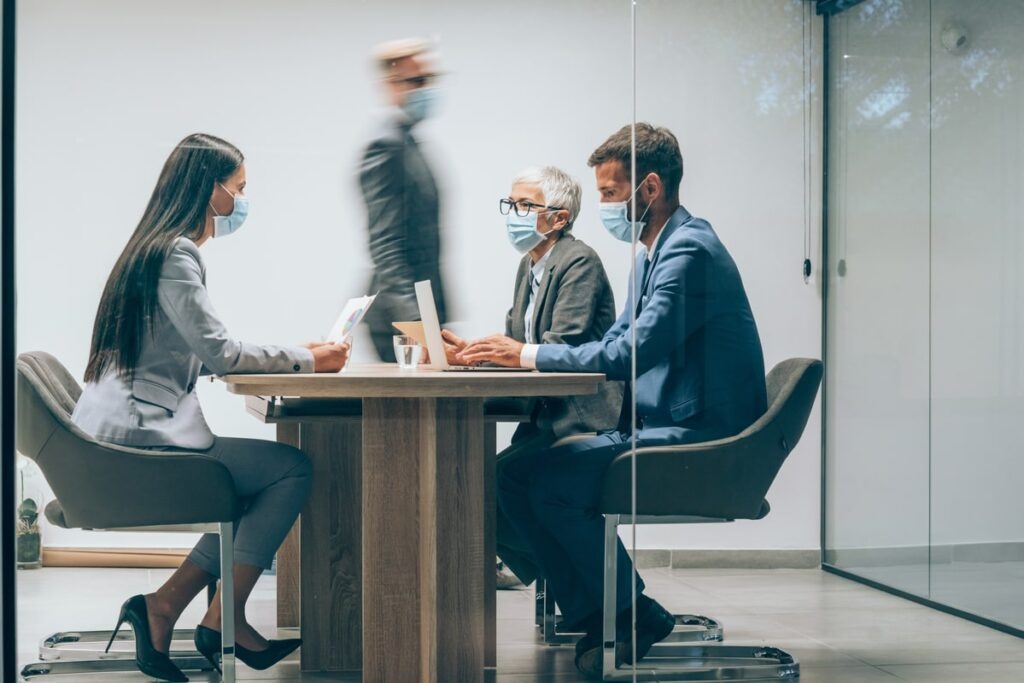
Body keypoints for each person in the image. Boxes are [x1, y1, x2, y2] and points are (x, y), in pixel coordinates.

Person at [460, 123, 767, 678]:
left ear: (648, 188)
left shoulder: (689, 249)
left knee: (551, 479)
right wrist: (514, 353)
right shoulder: (655, 251)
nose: (600, 205)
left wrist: (526, 356)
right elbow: (612, 343)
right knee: (514, 478)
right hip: (666, 421)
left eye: (607, 193)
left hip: (707, 434)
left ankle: (631, 613)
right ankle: (601, 612)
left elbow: (632, 351)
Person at [71, 133, 349, 682]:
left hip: (120, 432)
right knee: (290, 470)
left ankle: (165, 606)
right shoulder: (177, 252)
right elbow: (218, 351)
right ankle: (222, 618)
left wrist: (296, 356)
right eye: (239, 188)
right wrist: (306, 360)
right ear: (211, 189)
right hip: (138, 441)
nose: (242, 201)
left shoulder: (151, 247)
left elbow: (190, 352)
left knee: (252, 479)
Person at [441, 166, 622, 590]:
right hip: (545, 417)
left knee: (486, 487)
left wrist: (496, 354)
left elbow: (560, 345)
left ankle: (566, 576)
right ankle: (562, 574)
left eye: (524, 205)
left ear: (559, 218)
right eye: (511, 204)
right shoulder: (530, 265)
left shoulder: (579, 261)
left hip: (580, 418)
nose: (513, 214)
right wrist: (469, 355)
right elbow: (516, 343)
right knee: (482, 485)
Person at [359, 38, 447, 361]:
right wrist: (416, 325)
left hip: (422, 308)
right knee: (413, 413)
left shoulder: (408, 142)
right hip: (400, 317)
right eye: (418, 81)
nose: (427, 90)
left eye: (431, 80)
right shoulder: (384, 146)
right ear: (391, 85)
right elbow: (386, 245)